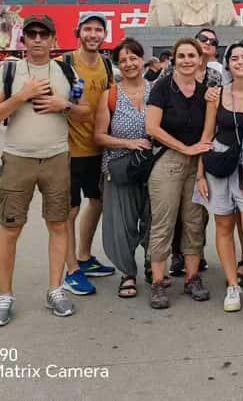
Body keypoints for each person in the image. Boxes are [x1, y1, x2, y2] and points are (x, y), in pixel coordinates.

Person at [0, 14, 91, 326]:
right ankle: (5, 295)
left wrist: (63, 105)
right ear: (24, 40)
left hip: (57, 158)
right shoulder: (9, 71)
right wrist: (21, 96)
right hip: (18, 158)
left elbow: (85, 112)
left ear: (54, 39)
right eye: (32, 34)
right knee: (10, 227)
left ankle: (55, 289)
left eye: (44, 34)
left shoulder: (67, 71)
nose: (38, 39)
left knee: (58, 224)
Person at [195, 43, 243, 326]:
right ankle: (232, 285)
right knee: (224, 225)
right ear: (227, 64)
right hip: (219, 162)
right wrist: (200, 175)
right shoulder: (216, 95)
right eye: (234, 58)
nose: (240, 62)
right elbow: (207, 134)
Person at [144, 38, 214, 308]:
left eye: (191, 56)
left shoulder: (205, 92)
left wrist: (197, 157)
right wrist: (184, 148)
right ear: (174, 59)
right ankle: (158, 281)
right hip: (169, 159)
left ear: (200, 59)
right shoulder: (162, 87)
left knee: (194, 221)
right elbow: (152, 127)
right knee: (163, 222)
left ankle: (192, 277)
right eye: (181, 55)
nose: (186, 60)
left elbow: (209, 129)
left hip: (197, 162)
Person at [94, 38, 154, 299]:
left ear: (142, 60)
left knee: (155, 220)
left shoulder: (157, 90)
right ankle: (128, 272)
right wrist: (129, 143)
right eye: (124, 60)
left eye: (134, 58)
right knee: (122, 223)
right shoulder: (110, 95)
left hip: (153, 167)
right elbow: (99, 136)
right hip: (120, 168)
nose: (129, 63)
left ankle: (153, 264)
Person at [62, 13, 116, 298]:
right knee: (69, 211)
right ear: (78, 32)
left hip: (98, 147)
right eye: (88, 29)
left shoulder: (106, 64)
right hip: (69, 150)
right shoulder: (65, 64)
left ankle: (84, 256)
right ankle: (71, 270)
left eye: (98, 30)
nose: (93, 34)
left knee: (97, 201)